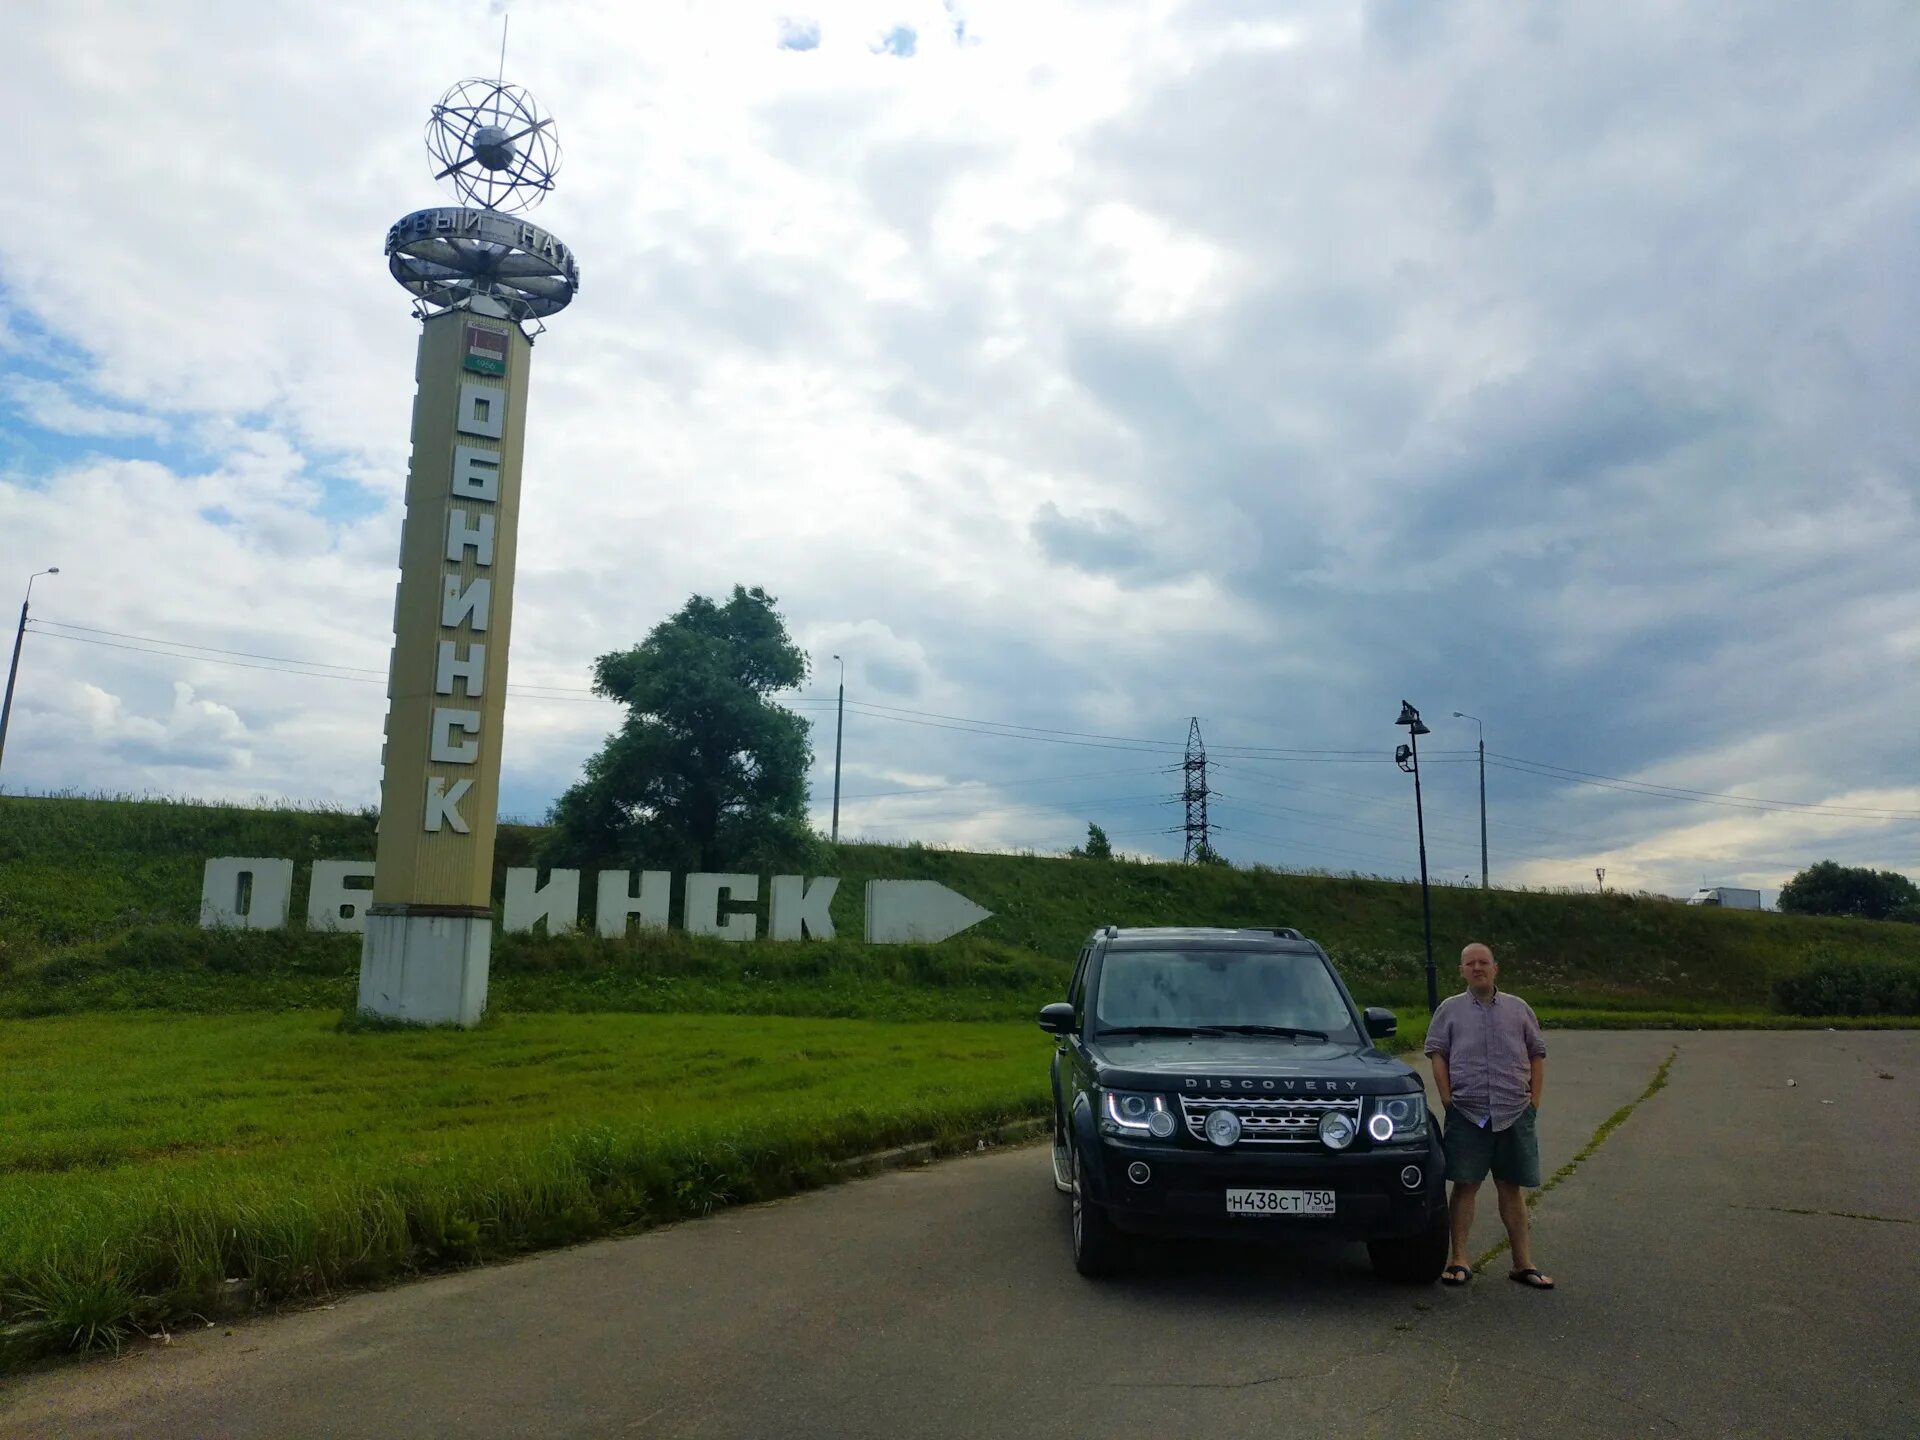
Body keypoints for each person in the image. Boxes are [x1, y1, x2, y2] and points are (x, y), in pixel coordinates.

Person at [1423, 942, 1554, 1290]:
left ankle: (1523, 1263)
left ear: (1496, 968)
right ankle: (1459, 1260)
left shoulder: (1518, 1009)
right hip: (1468, 1112)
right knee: (1465, 1185)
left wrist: (1533, 1104)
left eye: (1484, 962)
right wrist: (1448, 1100)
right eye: (1470, 963)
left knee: (1511, 1187)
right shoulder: (1449, 1011)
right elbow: (1437, 1054)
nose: (1477, 968)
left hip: (1513, 1112)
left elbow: (1536, 1054)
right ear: (1461, 970)